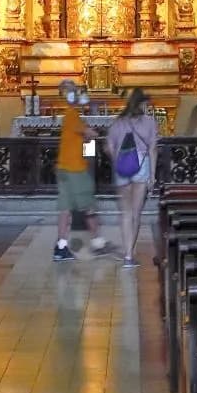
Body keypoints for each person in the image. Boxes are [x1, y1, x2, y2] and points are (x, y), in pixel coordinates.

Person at [54, 79, 109, 261]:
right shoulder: (72, 115)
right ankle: (98, 243)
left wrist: (87, 135)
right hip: (75, 169)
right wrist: (94, 132)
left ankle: (61, 248)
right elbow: (89, 134)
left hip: (63, 168)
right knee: (88, 206)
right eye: (74, 92)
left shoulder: (70, 115)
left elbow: (81, 138)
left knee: (65, 209)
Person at [107, 87, 158, 268]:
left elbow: (110, 147)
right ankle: (129, 255)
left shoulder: (118, 122)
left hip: (122, 166)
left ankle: (127, 254)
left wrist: (118, 163)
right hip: (141, 165)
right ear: (142, 103)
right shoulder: (149, 122)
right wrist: (152, 176)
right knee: (136, 213)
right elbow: (153, 149)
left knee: (125, 213)